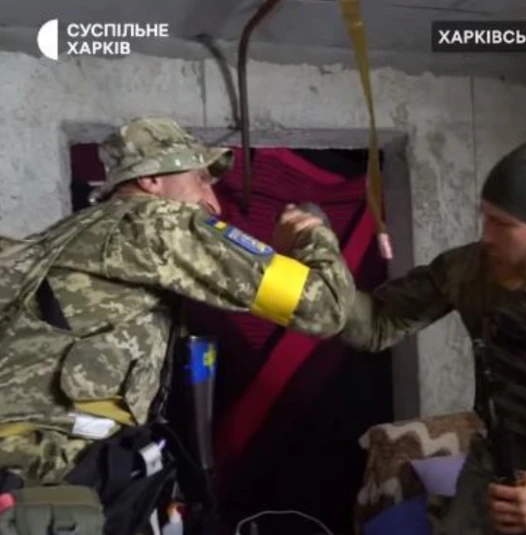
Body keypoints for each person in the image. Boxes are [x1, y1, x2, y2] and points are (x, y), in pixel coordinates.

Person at [0, 116, 355, 490]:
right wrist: (312, 235)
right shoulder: (158, 222)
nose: (212, 201)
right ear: (151, 180)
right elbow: (327, 306)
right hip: (50, 469)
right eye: (200, 178)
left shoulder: (66, 233)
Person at [338, 133, 526, 534]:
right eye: (485, 217)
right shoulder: (473, 270)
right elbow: (376, 324)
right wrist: (317, 261)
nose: (486, 235)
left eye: (503, 223)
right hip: (494, 472)